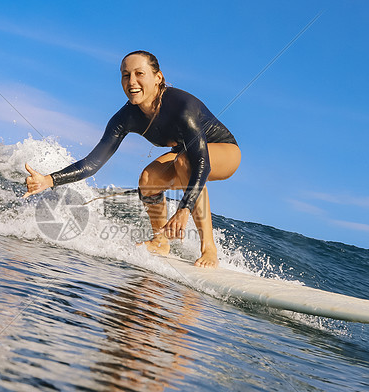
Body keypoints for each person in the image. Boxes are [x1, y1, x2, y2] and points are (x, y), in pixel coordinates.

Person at [24, 51, 241, 267]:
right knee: (148, 179)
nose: (132, 82)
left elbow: (202, 162)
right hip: (183, 155)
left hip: (225, 152)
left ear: (158, 78)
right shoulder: (125, 117)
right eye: (126, 75)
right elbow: (93, 163)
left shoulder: (181, 107)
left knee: (185, 162)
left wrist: (184, 208)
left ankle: (209, 250)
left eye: (139, 73)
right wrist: (48, 180)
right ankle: (160, 241)